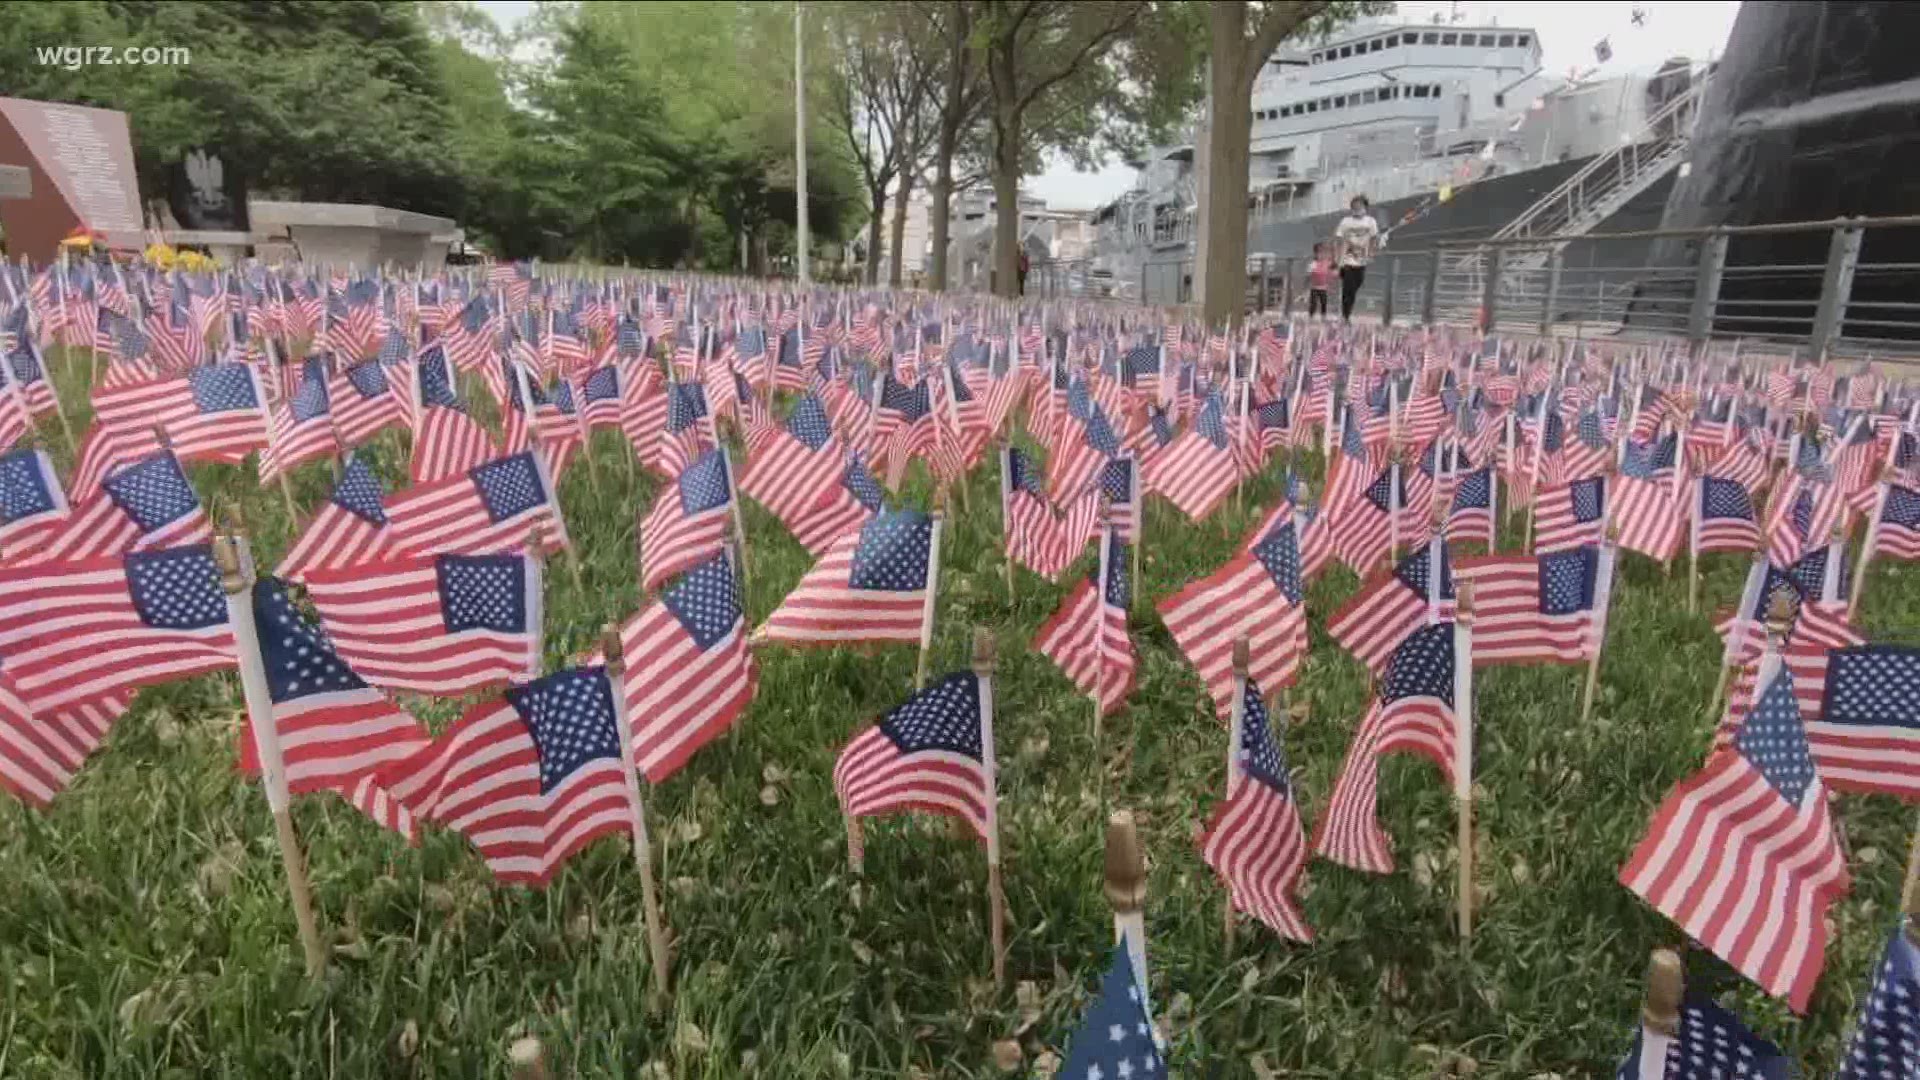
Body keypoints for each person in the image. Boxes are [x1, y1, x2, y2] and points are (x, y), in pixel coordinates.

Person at [1334, 195, 1381, 323]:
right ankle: (1345, 316)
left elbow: (1374, 238)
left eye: (1360, 205)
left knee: (1356, 286)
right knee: (1348, 287)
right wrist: (1338, 259)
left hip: (1361, 260)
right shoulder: (1345, 222)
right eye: (1354, 205)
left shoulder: (1371, 221)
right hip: (1347, 259)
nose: (1357, 207)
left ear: (1365, 206)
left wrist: (1371, 252)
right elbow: (1338, 240)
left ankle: (1346, 311)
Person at [1306, 241, 1332, 319]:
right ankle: (1311, 316)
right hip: (1314, 287)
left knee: (1324, 303)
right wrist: (1306, 288)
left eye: (1323, 253)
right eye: (1319, 253)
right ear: (1315, 253)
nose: (1321, 255)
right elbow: (1308, 276)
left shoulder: (1327, 263)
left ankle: (1323, 317)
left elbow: (1330, 274)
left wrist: (1329, 284)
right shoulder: (1313, 264)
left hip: (1323, 287)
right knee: (1313, 303)